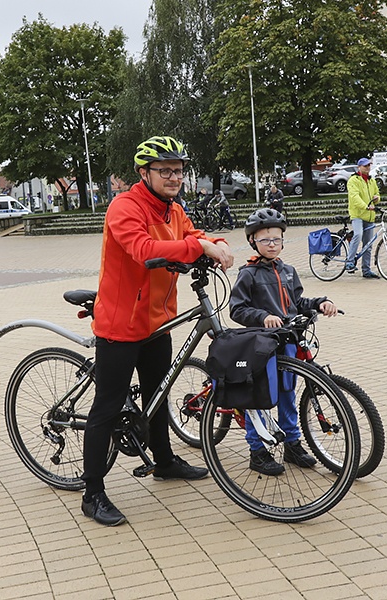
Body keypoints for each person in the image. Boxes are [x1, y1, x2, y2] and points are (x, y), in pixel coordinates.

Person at [81, 136, 234, 526]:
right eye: (164, 170)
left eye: (179, 170)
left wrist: (214, 243)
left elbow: (193, 235)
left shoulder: (174, 210)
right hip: (120, 324)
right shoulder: (124, 207)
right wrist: (199, 249)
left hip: (158, 322)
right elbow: (145, 251)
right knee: (107, 407)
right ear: (144, 173)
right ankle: (92, 493)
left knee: (158, 394)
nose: (173, 177)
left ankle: (164, 462)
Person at [229, 208, 338, 475]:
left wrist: (320, 302)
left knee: (288, 393)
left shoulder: (288, 271)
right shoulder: (249, 274)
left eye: (277, 239)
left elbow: (296, 303)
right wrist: (262, 316)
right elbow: (237, 309)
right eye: (265, 239)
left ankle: (291, 443)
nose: (272, 245)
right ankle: (257, 449)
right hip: (262, 346)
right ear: (253, 241)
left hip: (288, 342)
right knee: (262, 395)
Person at [345, 157, 381, 278]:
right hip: (357, 214)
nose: (367, 168)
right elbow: (354, 197)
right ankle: (349, 262)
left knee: (368, 244)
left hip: (369, 216)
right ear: (359, 167)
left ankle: (366, 270)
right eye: (365, 166)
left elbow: (377, 194)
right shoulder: (353, 180)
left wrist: (377, 199)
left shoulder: (372, 181)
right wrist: (365, 206)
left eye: (369, 166)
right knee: (358, 234)